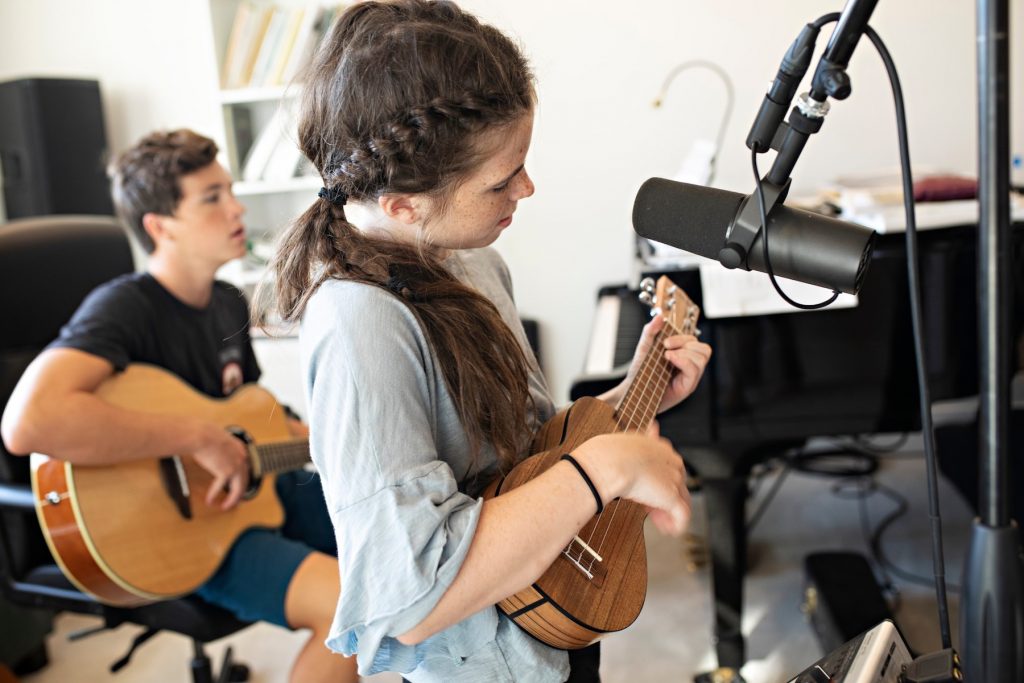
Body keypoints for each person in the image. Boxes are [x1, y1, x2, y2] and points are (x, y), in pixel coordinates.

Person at [264, 1, 713, 681]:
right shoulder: (360, 326)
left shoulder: (472, 259)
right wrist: (608, 469)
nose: (527, 188)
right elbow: (410, 595)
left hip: (549, 620)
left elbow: (527, 457)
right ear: (402, 203)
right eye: (502, 179)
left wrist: (634, 393)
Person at [0, 129, 358, 683]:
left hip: (258, 497)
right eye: (211, 198)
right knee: (347, 611)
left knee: (391, 537)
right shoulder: (123, 307)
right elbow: (29, 423)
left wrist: (321, 434)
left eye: (230, 191)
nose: (235, 208)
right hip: (188, 534)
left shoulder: (226, 304)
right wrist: (198, 440)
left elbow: (252, 416)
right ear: (159, 226)